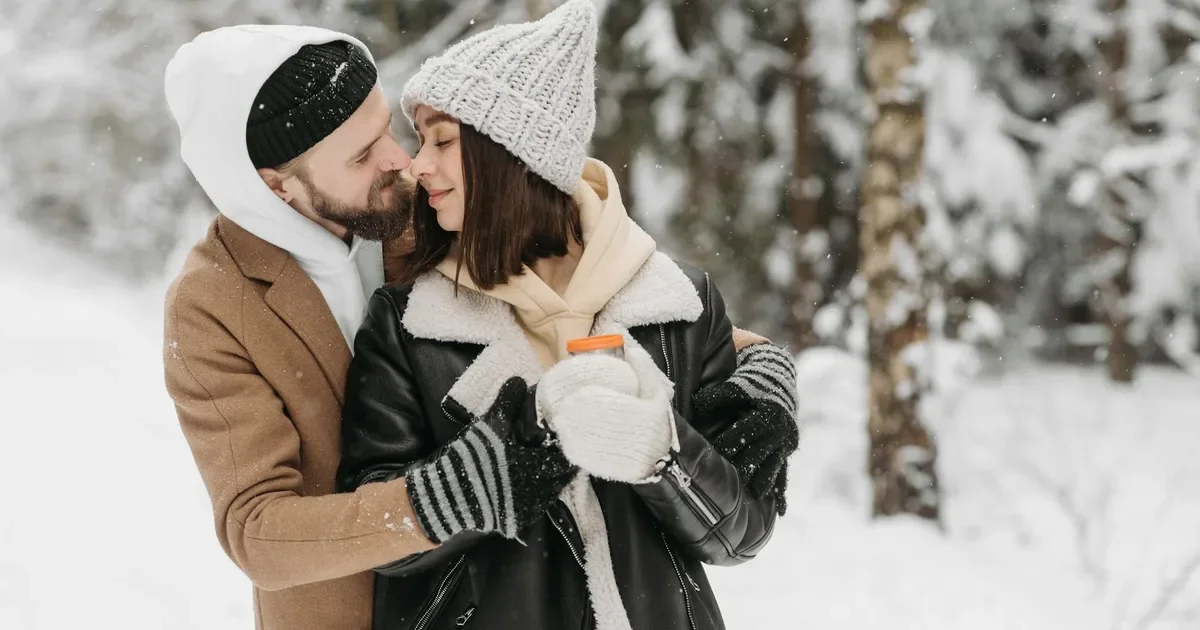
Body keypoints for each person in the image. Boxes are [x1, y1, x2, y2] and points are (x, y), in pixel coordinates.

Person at [162, 20, 795, 630]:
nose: (402, 162)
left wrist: (760, 364)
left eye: (389, 130)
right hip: (360, 610)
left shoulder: (424, 208)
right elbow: (258, 531)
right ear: (277, 187)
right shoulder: (214, 306)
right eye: (363, 154)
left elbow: (588, 292)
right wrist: (450, 493)